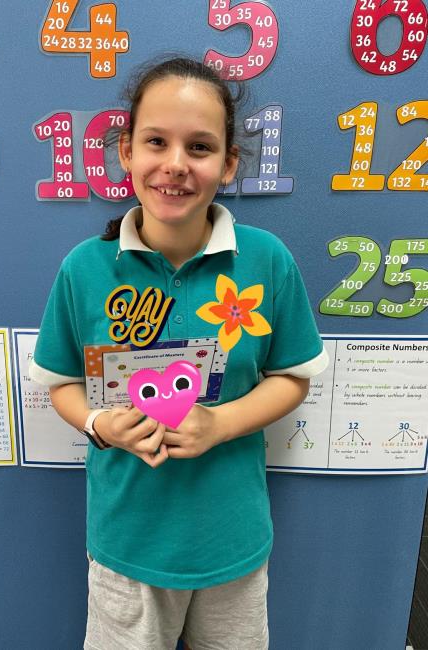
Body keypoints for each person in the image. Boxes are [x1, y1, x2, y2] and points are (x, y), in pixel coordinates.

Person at [30, 57, 328, 650]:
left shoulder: (266, 260)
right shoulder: (84, 269)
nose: (175, 164)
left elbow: (292, 377)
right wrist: (99, 425)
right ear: (125, 152)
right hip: (127, 544)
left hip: (232, 543)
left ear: (228, 163)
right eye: (155, 142)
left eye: (199, 147)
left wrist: (219, 424)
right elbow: (61, 383)